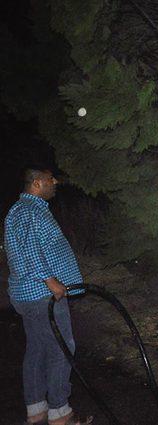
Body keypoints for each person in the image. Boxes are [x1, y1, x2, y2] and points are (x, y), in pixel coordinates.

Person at [4, 167, 92, 425]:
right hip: (43, 295)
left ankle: (37, 411)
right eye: (50, 179)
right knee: (61, 348)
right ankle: (60, 413)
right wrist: (51, 281)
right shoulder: (30, 211)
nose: (55, 182)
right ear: (37, 183)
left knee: (37, 349)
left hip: (31, 295)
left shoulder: (23, 210)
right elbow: (31, 250)